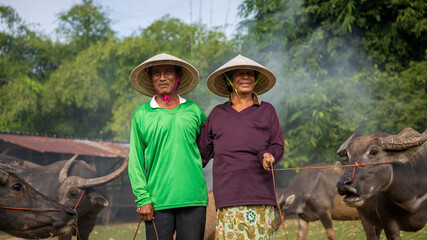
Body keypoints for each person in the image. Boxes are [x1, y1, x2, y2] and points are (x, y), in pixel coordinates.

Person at [197, 55, 284, 240]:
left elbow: (277, 144)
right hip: (228, 198)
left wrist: (270, 154)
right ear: (229, 79)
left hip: (260, 196)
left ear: (256, 79)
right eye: (240, 73)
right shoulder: (217, 114)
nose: (246, 77)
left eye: (250, 74)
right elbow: (199, 155)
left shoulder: (267, 111)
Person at [128, 53, 208, 240]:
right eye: (156, 73)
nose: (162, 78)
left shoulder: (193, 110)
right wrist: (143, 198)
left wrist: (196, 161)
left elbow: (211, 139)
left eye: (168, 72)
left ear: (177, 76)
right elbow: (135, 161)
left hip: (193, 198)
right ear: (151, 78)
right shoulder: (142, 114)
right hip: (157, 201)